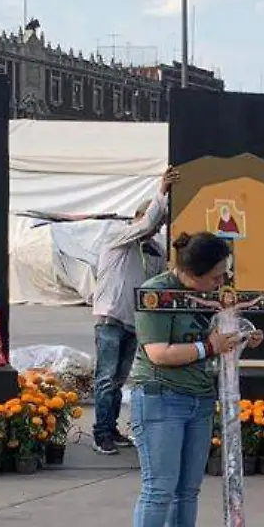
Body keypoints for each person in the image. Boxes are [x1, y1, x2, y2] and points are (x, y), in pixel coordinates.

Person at [127, 231, 263, 527]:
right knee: (159, 489)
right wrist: (209, 347)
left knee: (188, 489)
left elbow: (217, 334)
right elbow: (158, 352)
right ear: (196, 272)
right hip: (160, 398)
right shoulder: (157, 293)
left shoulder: (207, 296)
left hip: (199, 398)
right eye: (217, 275)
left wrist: (240, 336)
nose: (222, 282)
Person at [90, 167, 178, 455]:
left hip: (134, 323)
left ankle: (111, 428)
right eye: (154, 222)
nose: (155, 228)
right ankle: (100, 432)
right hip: (110, 318)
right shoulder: (118, 237)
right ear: (139, 219)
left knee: (118, 380)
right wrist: (161, 192)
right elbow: (145, 224)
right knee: (105, 378)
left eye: (160, 225)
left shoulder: (154, 250)